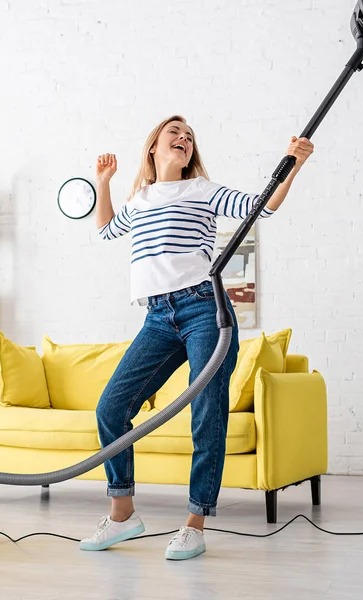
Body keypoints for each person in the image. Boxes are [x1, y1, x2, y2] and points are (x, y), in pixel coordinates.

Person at [81, 115, 314, 560]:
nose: (184, 139)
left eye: (189, 136)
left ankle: (194, 524)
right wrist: (103, 181)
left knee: (207, 411)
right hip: (156, 317)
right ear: (153, 147)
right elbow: (107, 229)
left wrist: (293, 164)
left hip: (203, 309)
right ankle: (123, 514)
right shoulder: (142, 198)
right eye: (175, 133)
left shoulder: (201, 190)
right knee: (111, 407)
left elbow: (262, 206)